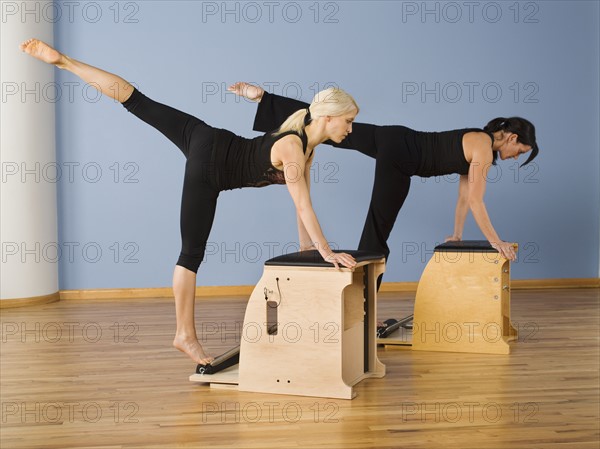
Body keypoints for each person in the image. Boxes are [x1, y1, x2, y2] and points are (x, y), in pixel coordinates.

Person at [20, 39, 358, 365]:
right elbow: (302, 207)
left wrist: (307, 255)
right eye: (349, 121)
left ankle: (64, 62)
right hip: (210, 167)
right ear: (329, 118)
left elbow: (303, 205)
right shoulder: (293, 147)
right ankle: (184, 334)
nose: (351, 129)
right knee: (190, 253)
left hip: (206, 136)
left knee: (137, 101)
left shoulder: (306, 144)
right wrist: (326, 252)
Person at [229, 83, 540, 275]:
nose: (515, 157)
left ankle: (264, 99)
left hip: (394, 138)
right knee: (377, 234)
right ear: (511, 138)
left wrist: (456, 234)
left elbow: (463, 196)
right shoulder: (483, 147)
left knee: (330, 126)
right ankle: (363, 308)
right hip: (402, 157)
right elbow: (475, 199)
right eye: (520, 150)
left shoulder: (477, 140)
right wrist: (496, 242)